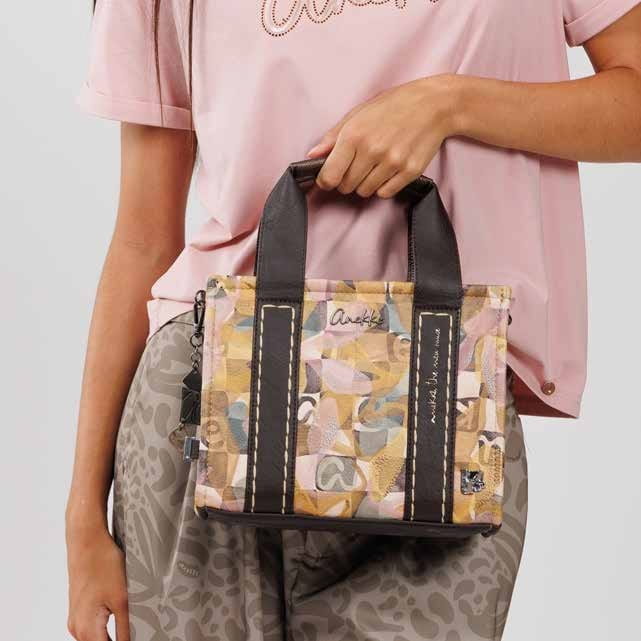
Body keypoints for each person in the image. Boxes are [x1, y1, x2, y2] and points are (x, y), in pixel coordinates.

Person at [66, 2, 641, 640]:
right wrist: (83, 517)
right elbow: (143, 238)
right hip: (210, 404)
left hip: (443, 405)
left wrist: (450, 103)